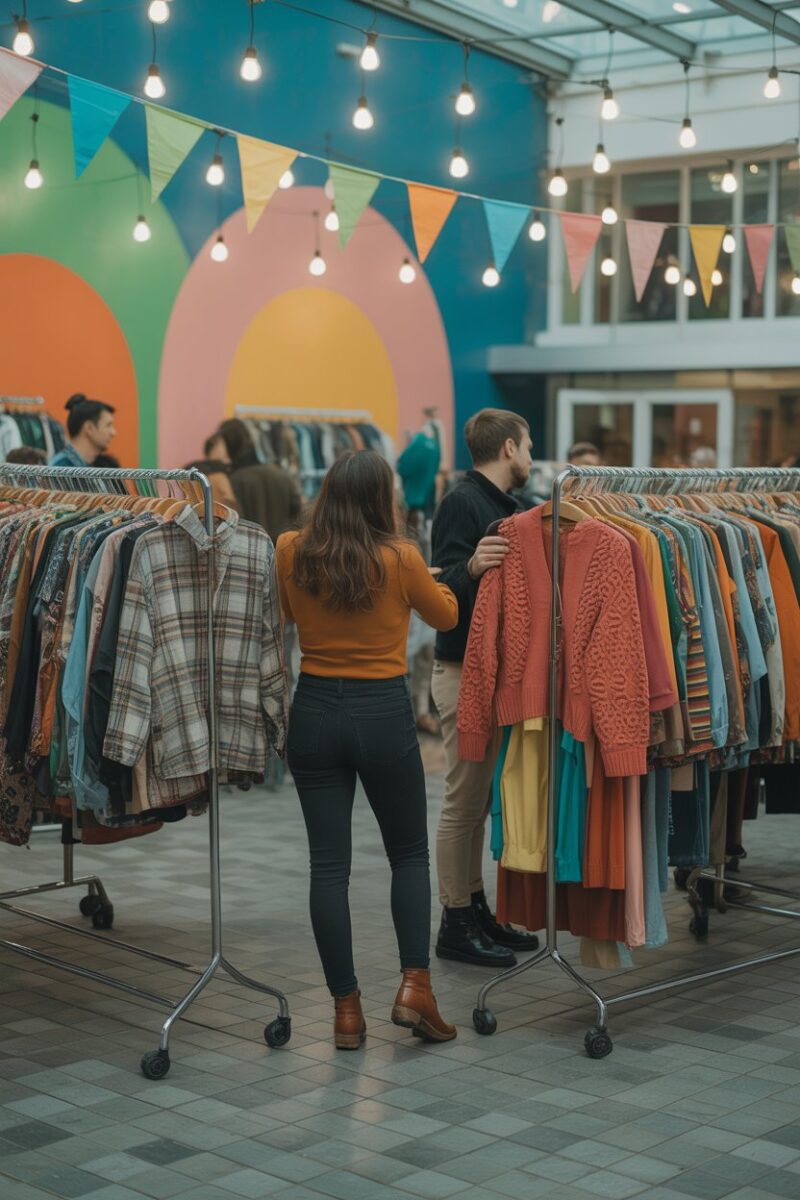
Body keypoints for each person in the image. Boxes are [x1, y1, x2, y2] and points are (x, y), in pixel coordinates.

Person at [276, 450, 459, 1050]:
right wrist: (442, 577)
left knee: (328, 866)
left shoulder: (290, 549)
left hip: (315, 710)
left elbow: (284, 613)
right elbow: (447, 614)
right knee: (407, 854)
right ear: (385, 499)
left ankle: (346, 1011)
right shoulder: (402, 557)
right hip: (382, 713)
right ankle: (414, 990)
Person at [431, 408, 540, 967]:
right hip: (459, 673)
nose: (530, 457)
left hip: (491, 675)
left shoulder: (509, 508)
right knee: (463, 800)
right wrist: (469, 569)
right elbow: (440, 601)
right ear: (506, 449)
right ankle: (454, 919)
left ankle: (474, 909)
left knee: (477, 804)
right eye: (527, 447)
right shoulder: (461, 503)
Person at [218, 418, 302, 544]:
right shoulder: (281, 475)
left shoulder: (232, 482)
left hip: (248, 555)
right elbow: (298, 514)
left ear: (227, 445)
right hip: (281, 551)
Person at [50, 395, 116, 467]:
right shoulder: (58, 468)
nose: (113, 432)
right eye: (108, 425)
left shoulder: (104, 465)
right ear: (89, 428)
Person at [185, 434, 239, 512]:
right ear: (212, 448)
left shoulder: (192, 472)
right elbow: (230, 500)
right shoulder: (219, 475)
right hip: (220, 516)